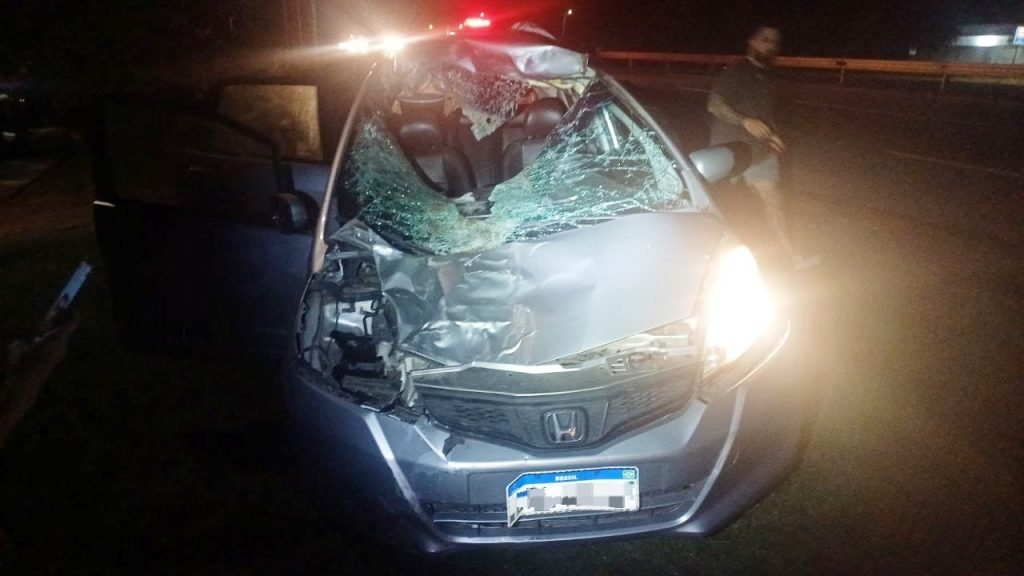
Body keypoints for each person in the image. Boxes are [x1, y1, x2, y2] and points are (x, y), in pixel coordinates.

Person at [707, 26, 819, 269]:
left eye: (775, 41)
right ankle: (714, 263)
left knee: (775, 204)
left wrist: (773, 135)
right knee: (721, 208)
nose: (770, 45)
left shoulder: (769, 77)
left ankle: (793, 259)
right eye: (765, 39)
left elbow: (765, 114)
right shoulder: (737, 71)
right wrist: (745, 121)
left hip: (760, 152)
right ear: (752, 42)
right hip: (730, 152)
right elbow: (714, 104)